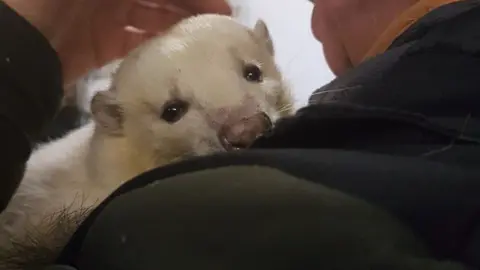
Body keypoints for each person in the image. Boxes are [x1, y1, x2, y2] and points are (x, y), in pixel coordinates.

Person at [0, 0, 479, 269]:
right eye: (173, 109)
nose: (246, 127)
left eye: (252, 73)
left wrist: (21, 55)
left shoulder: (174, 220)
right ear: (112, 122)